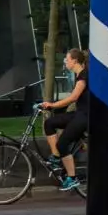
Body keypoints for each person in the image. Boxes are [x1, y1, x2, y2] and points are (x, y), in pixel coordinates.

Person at [38, 47, 89, 191]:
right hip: (79, 113)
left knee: (62, 144)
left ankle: (72, 178)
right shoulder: (79, 75)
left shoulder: (84, 76)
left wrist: (52, 105)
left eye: (67, 60)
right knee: (49, 123)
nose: (65, 62)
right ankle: (56, 157)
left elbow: (74, 97)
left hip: (86, 116)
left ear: (75, 61)